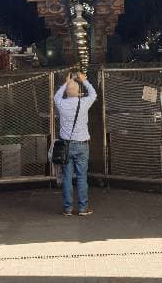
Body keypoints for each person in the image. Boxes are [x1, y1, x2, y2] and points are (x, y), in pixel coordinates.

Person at [54, 72, 97, 216]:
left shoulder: (61, 103)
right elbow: (93, 94)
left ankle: (67, 209)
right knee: (81, 177)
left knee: (67, 177)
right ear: (79, 92)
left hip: (66, 146)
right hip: (82, 145)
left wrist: (66, 83)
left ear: (66, 92)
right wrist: (84, 81)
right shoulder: (84, 103)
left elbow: (56, 96)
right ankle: (83, 208)